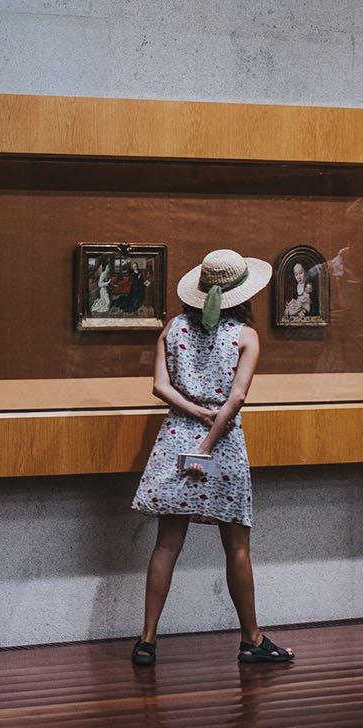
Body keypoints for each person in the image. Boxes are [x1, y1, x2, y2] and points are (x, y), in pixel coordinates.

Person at [129, 249, 293, 667]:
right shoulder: (246, 336)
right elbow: (236, 398)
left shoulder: (174, 326)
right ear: (243, 292)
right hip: (223, 445)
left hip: (176, 439)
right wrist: (208, 439)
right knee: (237, 545)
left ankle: (146, 641)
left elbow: (158, 387)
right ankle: (251, 639)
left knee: (166, 544)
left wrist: (193, 413)